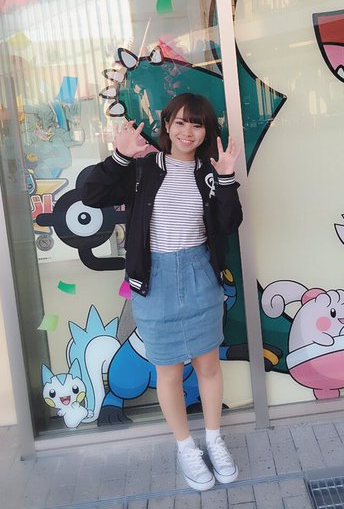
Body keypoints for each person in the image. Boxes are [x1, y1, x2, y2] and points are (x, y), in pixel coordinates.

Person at [82, 92, 243, 492]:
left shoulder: (208, 172)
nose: (188, 131)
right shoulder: (143, 168)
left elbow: (229, 223)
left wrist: (226, 178)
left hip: (199, 274)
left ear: (206, 131)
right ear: (167, 125)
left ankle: (214, 440)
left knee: (208, 365)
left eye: (197, 124)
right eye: (181, 122)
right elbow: (92, 194)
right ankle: (186, 447)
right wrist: (119, 156)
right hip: (154, 279)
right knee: (168, 370)